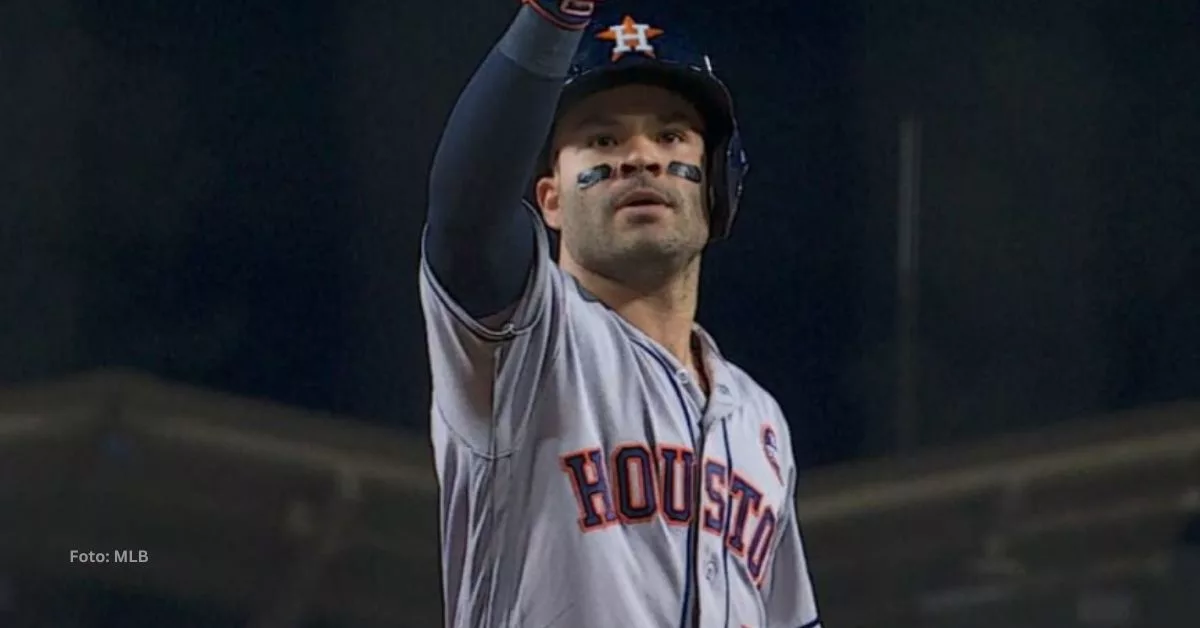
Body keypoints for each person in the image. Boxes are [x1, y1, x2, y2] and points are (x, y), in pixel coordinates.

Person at [419, 1, 821, 626]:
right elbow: (465, 224)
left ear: (716, 187)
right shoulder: (529, 342)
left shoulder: (759, 420)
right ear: (549, 200)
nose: (641, 157)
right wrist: (552, 18)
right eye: (602, 138)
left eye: (670, 136)